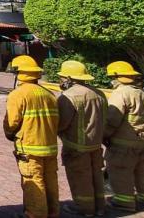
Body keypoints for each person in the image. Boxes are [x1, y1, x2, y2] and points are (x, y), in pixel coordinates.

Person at [3, 56, 59, 218]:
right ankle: (53, 212)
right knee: (50, 181)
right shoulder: (49, 94)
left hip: (29, 148)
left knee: (34, 181)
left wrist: (9, 134)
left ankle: (35, 214)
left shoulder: (18, 94)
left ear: (19, 73)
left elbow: (12, 122)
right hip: (50, 146)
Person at [55, 60, 107, 217]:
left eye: (62, 77)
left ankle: (85, 209)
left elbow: (62, 123)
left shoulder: (68, 97)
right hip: (96, 145)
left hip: (76, 146)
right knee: (96, 176)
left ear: (69, 78)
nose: (60, 80)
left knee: (80, 179)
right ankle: (100, 207)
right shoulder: (99, 93)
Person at [104, 61, 144, 211]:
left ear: (116, 77)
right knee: (143, 171)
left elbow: (112, 119)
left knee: (120, 171)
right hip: (141, 142)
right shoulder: (142, 93)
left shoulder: (121, 93)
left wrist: (104, 135)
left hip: (122, 144)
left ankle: (124, 202)